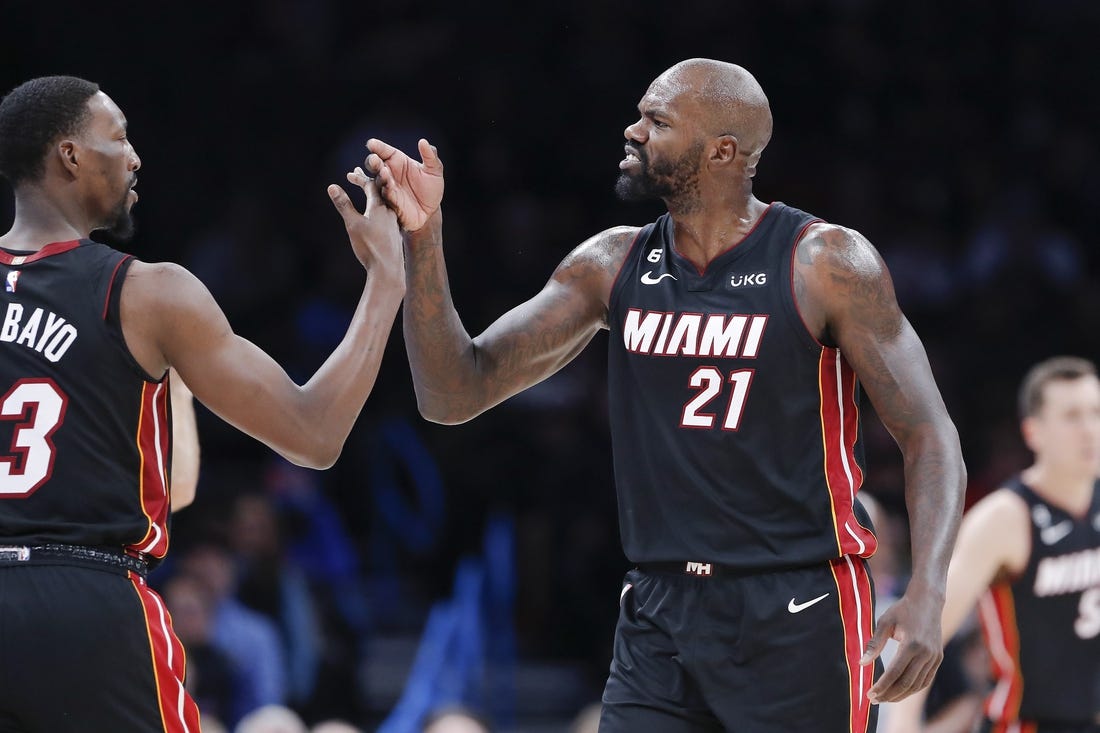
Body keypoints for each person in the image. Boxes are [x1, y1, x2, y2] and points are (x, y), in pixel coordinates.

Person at [366, 58, 966, 732]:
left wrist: (927, 591)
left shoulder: (823, 262)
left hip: (797, 606)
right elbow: (453, 393)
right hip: (659, 609)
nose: (633, 131)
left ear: (722, 151)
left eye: (656, 120)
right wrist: (424, 237)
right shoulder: (611, 263)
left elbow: (930, 435)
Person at [0, 75, 404, 731]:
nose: (134, 157)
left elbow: (174, 486)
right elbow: (314, 431)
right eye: (119, 136)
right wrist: (386, 280)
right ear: (69, 155)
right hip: (87, 605)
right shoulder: (147, 293)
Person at [886, 356, 1100, 733]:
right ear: (1034, 433)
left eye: (1095, 412)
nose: (1089, 430)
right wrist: (901, 726)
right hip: (1024, 722)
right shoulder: (1004, 518)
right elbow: (926, 632)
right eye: (1071, 416)